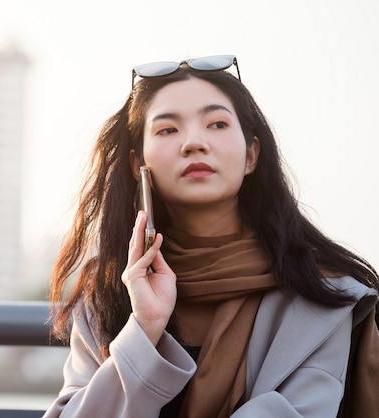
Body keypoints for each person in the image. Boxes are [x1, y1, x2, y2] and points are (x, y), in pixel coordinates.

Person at [42, 55, 379, 418]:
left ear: (252, 155)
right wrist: (144, 328)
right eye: (168, 130)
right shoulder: (110, 291)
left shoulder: (319, 292)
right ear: (137, 163)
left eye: (217, 124)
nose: (194, 143)